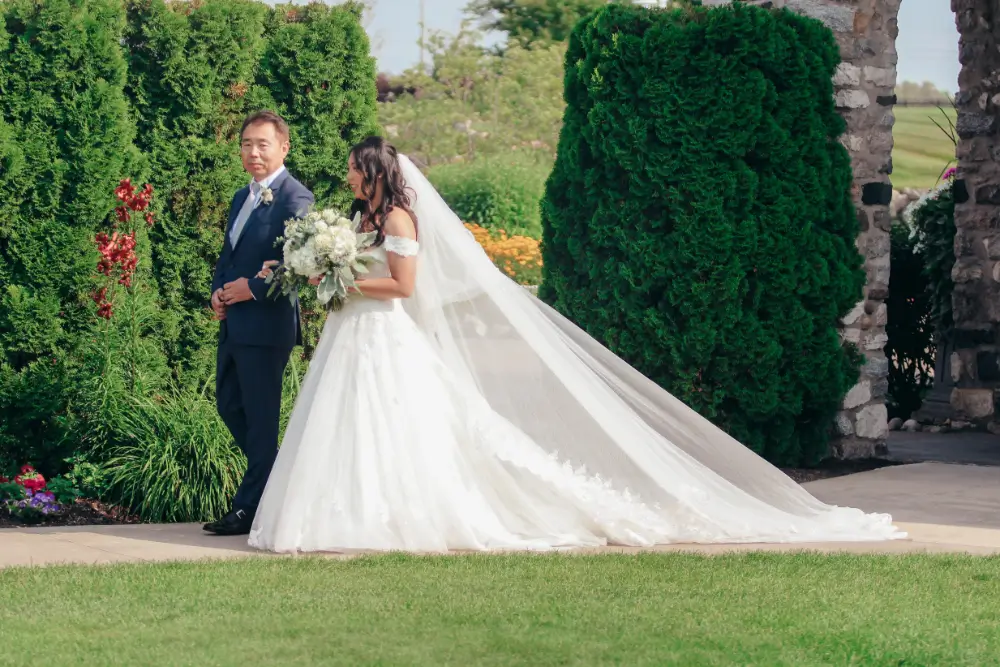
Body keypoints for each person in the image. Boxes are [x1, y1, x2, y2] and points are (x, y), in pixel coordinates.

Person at [248, 136, 905, 553]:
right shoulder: (359, 217)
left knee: (404, 426)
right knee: (355, 428)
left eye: (354, 170)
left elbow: (403, 282)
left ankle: (395, 514)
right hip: (354, 338)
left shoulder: (396, 217)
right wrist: (328, 272)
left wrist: (345, 282)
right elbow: (365, 272)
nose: (348, 177)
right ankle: (349, 511)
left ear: (374, 173)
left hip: (380, 334)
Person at [204, 111, 314, 537]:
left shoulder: (294, 197)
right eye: (247, 143)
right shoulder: (241, 197)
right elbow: (228, 255)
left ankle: (249, 509)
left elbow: (297, 262)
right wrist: (218, 292)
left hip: (267, 328)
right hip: (235, 323)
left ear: (283, 147)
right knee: (229, 405)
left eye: (262, 144)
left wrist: (250, 288)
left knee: (262, 418)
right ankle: (275, 483)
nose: (252, 152)